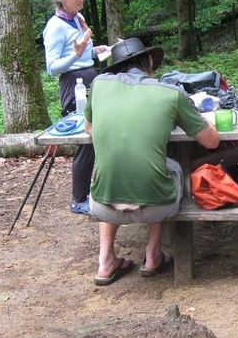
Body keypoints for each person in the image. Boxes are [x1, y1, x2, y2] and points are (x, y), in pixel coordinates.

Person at [85, 38, 220, 286]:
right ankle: (153, 254)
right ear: (149, 62)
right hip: (158, 206)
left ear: (116, 68)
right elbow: (211, 141)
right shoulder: (169, 93)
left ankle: (105, 262)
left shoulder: (98, 85)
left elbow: (89, 129)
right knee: (171, 166)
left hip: (102, 205)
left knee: (108, 169)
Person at [42, 0, 108, 215]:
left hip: (92, 80)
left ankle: (94, 192)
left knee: (99, 139)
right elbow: (52, 68)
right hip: (74, 86)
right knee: (87, 142)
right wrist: (77, 55)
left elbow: (84, 53)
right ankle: (79, 200)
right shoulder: (55, 26)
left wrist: (96, 50)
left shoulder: (78, 18)